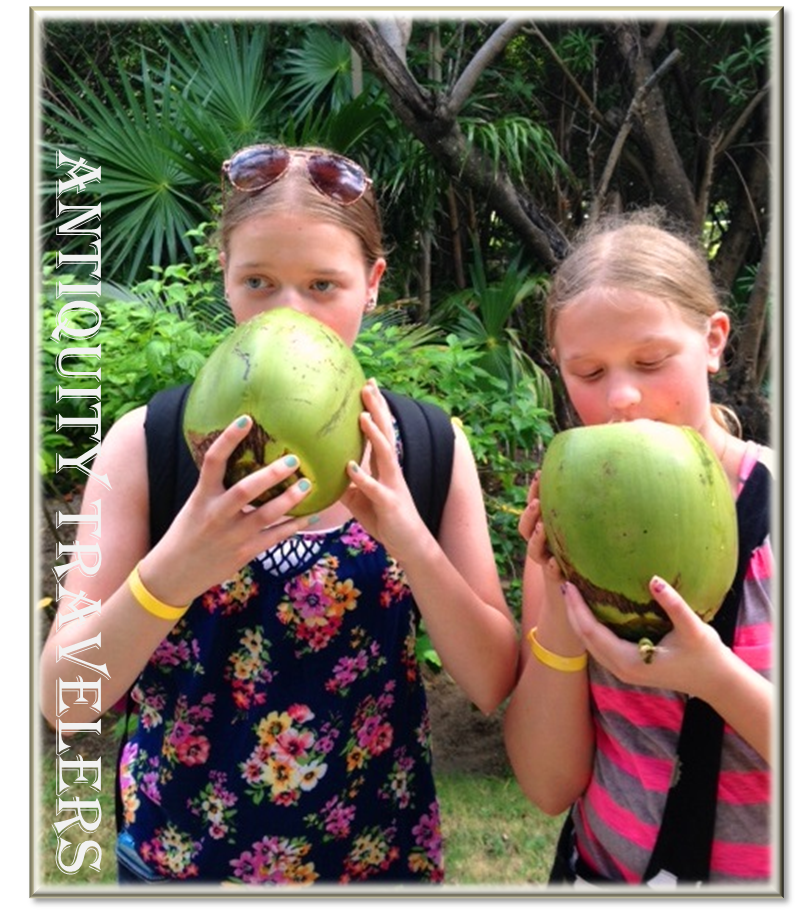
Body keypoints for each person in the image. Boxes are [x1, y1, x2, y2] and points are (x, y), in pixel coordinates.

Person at [40, 144, 518, 885]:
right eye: (258, 282)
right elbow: (65, 699)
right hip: (179, 866)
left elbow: (491, 683)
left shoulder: (427, 447)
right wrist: (176, 570)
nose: (289, 311)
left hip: (377, 866)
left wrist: (407, 538)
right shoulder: (149, 444)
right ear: (225, 278)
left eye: (323, 284)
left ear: (372, 285)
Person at [502, 210, 774, 886]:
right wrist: (561, 600)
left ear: (713, 340)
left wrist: (714, 678)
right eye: (588, 371)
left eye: (651, 362)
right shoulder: (565, 531)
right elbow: (548, 784)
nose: (622, 397)